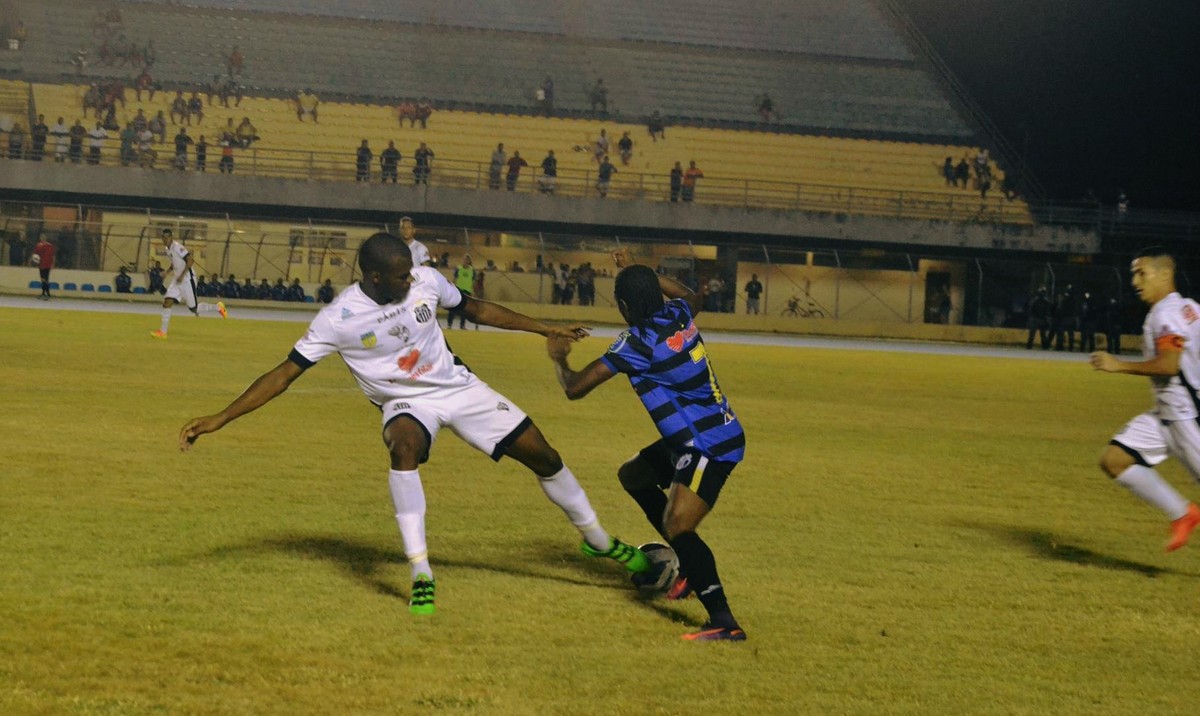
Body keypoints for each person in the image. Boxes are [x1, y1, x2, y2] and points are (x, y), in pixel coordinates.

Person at [177, 232, 651, 615]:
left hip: (458, 388)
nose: (412, 280)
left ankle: (599, 541)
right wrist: (221, 418)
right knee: (403, 448)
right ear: (375, 276)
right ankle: (421, 571)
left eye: (411, 272)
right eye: (401, 276)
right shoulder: (338, 318)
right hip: (405, 403)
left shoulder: (424, 280)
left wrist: (544, 328)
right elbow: (284, 374)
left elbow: (476, 308)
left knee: (545, 457)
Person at [545, 251, 747, 641]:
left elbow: (574, 387)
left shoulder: (636, 343)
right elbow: (691, 294)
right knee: (634, 475)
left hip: (707, 445)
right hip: (701, 435)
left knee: (678, 525)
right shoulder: (680, 316)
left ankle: (724, 621)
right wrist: (643, 272)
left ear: (623, 306)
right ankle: (689, 569)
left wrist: (558, 358)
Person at [1090, 248, 1200, 552]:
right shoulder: (1189, 307)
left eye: (1142, 273)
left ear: (1165, 274)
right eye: (1133, 274)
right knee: (1115, 460)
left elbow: (1168, 365)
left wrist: (1118, 365)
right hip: (1165, 415)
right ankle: (1184, 514)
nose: (1135, 281)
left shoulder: (1166, 314)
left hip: (1186, 419)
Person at [151, 229, 227, 338]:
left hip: (187, 280)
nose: (165, 239)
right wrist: (167, 272)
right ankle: (162, 332)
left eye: (167, 237)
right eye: (163, 237)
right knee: (167, 301)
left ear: (171, 237)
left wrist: (182, 275)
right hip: (177, 280)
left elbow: (190, 260)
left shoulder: (177, 247)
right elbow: (174, 263)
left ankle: (218, 307)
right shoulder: (168, 249)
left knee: (193, 309)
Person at [447, 255, 476, 330]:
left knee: (464, 310)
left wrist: (473, 291)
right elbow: (455, 279)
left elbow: (473, 282)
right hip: (458, 290)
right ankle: (449, 324)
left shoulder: (472, 270)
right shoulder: (459, 269)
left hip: (467, 291)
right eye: (464, 259)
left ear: (469, 261)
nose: (465, 261)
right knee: (453, 307)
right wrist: (452, 288)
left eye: (467, 260)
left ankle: (462, 325)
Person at [31, 235, 56, 300]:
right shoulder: (43, 245)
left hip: (45, 264)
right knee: (44, 279)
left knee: (44, 279)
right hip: (43, 264)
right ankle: (44, 293)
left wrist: (52, 263)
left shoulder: (45, 245)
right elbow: (35, 255)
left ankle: (47, 294)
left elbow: (52, 255)